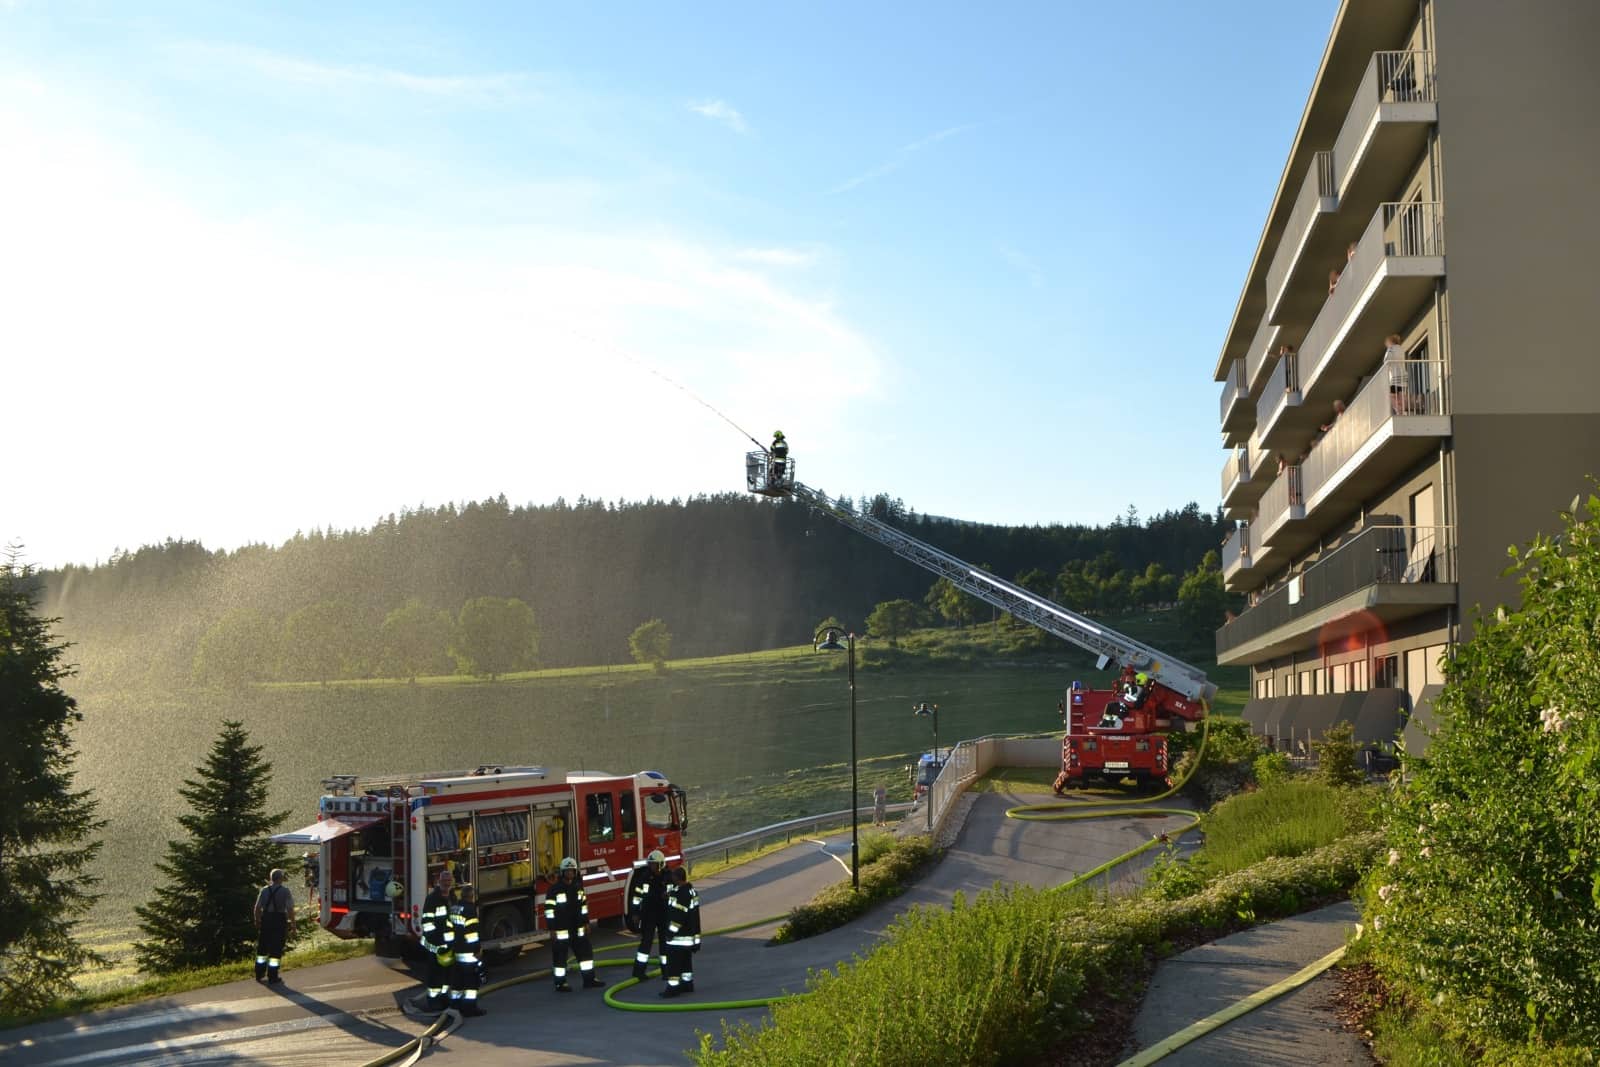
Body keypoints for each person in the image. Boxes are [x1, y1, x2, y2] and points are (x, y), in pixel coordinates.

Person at [544, 857, 604, 992]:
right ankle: (560, 984)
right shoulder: (554, 889)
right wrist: (552, 929)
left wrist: (586, 923)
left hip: (578, 928)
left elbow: (583, 907)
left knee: (586, 955)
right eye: (567, 871)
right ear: (562, 872)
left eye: (572, 870)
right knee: (560, 958)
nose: (570, 873)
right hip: (561, 929)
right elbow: (549, 911)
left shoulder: (578, 888)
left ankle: (589, 980)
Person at [627, 849, 670, 980]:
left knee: (665, 943)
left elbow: (675, 893)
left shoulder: (668, 876)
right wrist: (635, 913)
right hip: (648, 914)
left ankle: (667, 971)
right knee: (646, 942)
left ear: (661, 864)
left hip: (663, 914)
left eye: (654, 864)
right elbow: (637, 897)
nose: (652, 866)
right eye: (650, 864)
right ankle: (639, 972)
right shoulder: (644, 877)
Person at [659, 866, 700, 998]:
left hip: (678, 938)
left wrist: (670, 933)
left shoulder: (681, 895)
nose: (671, 878)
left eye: (673, 876)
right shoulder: (691, 892)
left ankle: (672, 988)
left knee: (674, 965)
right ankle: (687, 984)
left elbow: (678, 917)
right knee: (685, 963)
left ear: (677, 878)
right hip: (689, 937)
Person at [419, 867, 456, 1012]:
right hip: (435, 945)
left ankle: (444, 998)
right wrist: (437, 942)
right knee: (435, 974)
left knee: (447, 974)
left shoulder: (452, 897)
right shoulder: (432, 899)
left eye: (449, 880)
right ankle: (433, 1001)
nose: (447, 883)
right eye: (444, 880)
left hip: (449, 945)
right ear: (438, 882)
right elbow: (427, 923)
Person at [253, 868, 295, 985]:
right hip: (279, 920)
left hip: (266, 920)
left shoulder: (264, 890)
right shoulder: (285, 891)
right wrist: (293, 924)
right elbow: (290, 909)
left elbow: (257, 908)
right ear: (281, 878)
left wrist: (257, 921)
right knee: (276, 950)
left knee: (262, 948)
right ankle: (273, 975)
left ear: (271, 878)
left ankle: (259, 973)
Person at [450, 884, 486, 1016]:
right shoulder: (470, 910)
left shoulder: (454, 908)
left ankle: (455, 1005)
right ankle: (469, 1009)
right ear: (472, 896)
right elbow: (472, 934)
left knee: (457, 982)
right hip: (468, 953)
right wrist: (477, 950)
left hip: (455, 951)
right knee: (471, 982)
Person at [1383, 334, 1407, 414]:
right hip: (1403, 375)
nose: (1387, 345)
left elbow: (1386, 360)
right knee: (1401, 395)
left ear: (1391, 342)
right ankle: (1402, 411)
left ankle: (1398, 409)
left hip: (1394, 376)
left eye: (1387, 343)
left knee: (1390, 395)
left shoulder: (1391, 348)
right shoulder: (1401, 349)